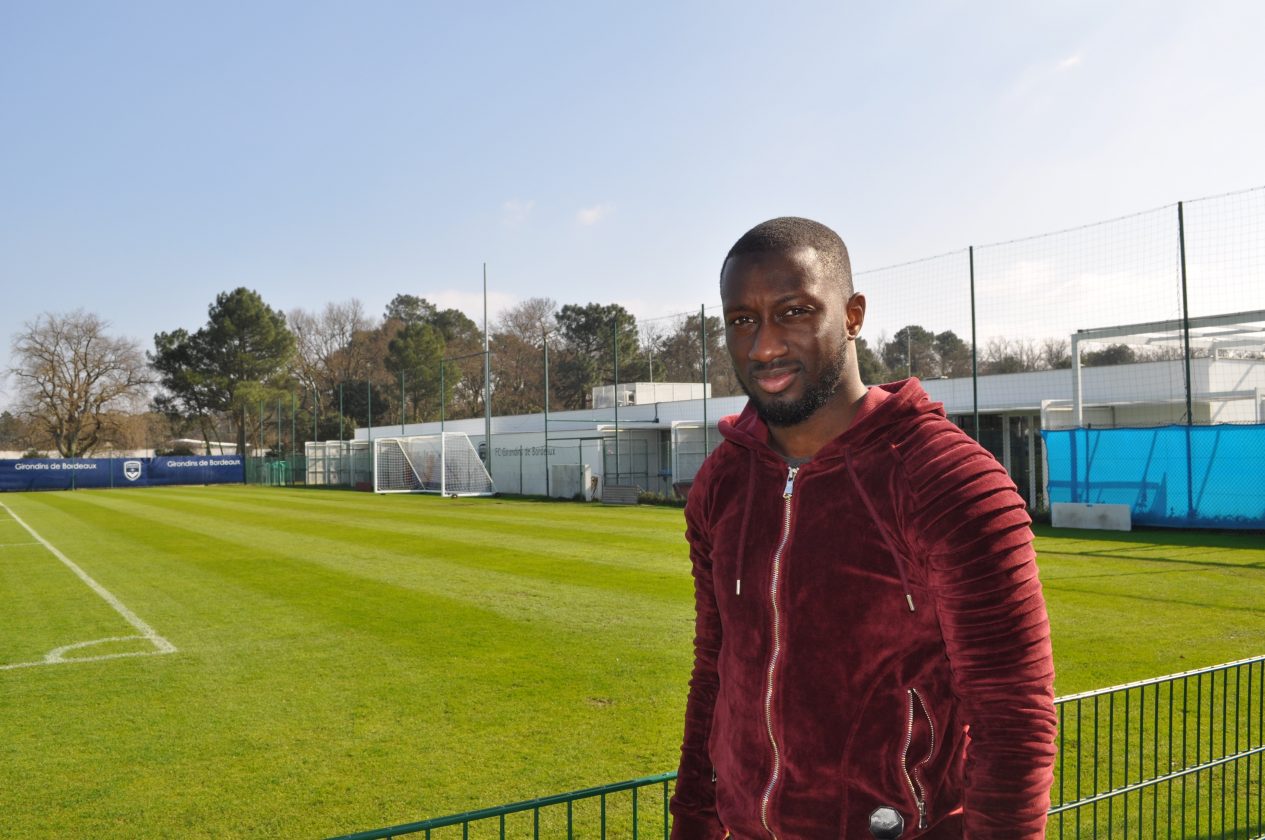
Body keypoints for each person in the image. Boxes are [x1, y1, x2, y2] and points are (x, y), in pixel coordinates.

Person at [669, 217, 1056, 839]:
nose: (764, 346)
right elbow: (715, 673)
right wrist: (692, 825)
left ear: (852, 315)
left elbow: (1013, 717)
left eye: (793, 311)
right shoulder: (722, 484)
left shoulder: (948, 478)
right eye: (743, 320)